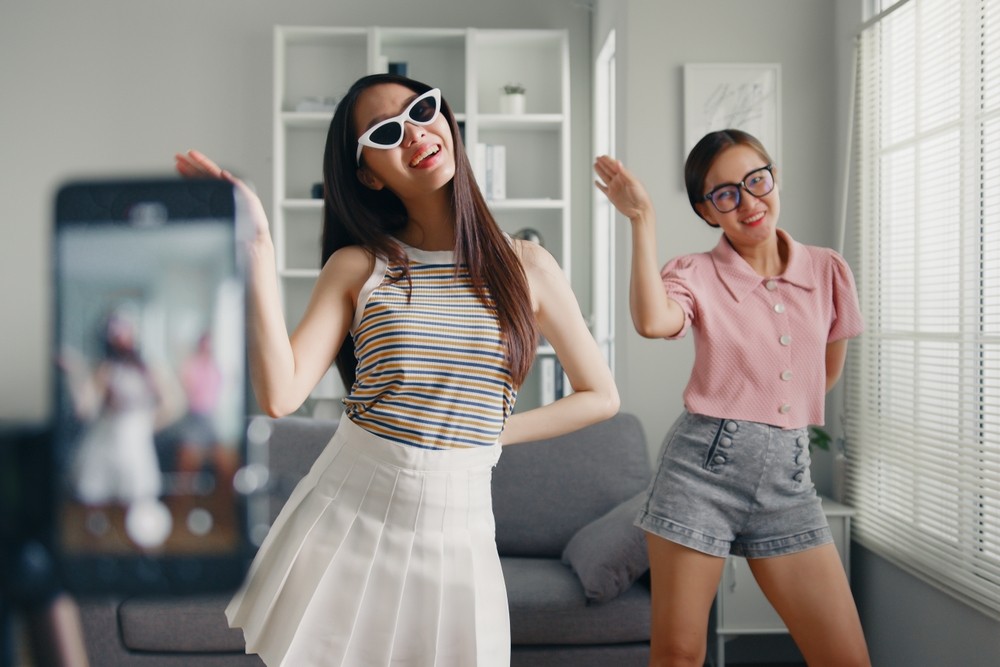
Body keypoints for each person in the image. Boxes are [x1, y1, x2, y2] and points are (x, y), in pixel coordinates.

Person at [175, 73, 618, 667]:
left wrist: (486, 435)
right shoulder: (360, 266)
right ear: (369, 174)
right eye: (387, 132)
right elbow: (280, 395)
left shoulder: (527, 265)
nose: (415, 133)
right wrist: (257, 246)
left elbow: (599, 395)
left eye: (423, 110)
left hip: (461, 524)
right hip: (354, 508)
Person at [593, 130, 871, 667]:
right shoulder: (693, 274)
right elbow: (653, 321)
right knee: (679, 655)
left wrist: (772, 412)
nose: (748, 202)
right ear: (707, 210)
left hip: (789, 483)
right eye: (725, 194)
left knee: (846, 658)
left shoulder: (827, 270)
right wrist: (641, 219)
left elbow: (822, 375)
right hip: (701, 473)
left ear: (773, 177)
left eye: (756, 181)